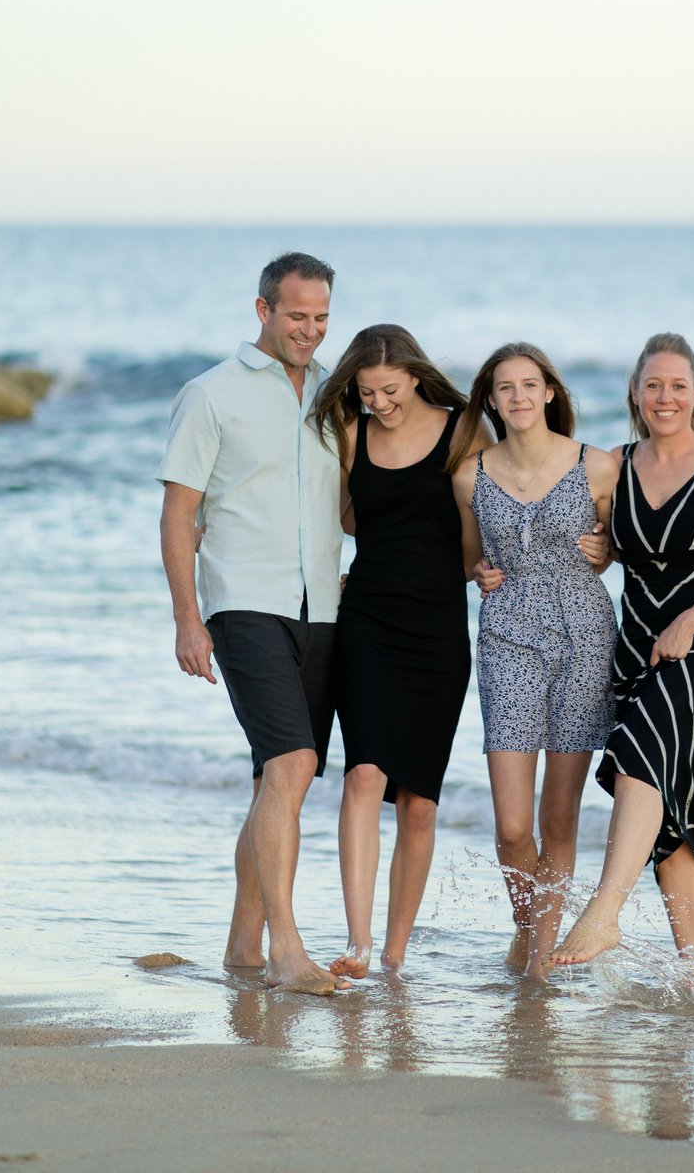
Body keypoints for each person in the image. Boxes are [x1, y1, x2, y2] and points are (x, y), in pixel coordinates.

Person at [156, 251, 347, 996]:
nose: (310, 330)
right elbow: (177, 514)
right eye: (297, 315)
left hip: (322, 608)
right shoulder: (211, 394)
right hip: (243, 601)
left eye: (322, 318)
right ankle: (288, 949)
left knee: (278, 779)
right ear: (263, 310)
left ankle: (242, 944)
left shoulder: (336, 395)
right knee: (293, 766)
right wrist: (187, 620)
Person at [552, 333, 694, 967]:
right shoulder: (616, 465)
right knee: (674, 808)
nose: (665, 396)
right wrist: (599, 552)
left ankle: (602, 914)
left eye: (678, 385)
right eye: (653, 385)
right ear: (635, 394)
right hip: (637, 652)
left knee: (640, 748)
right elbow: (569, 524)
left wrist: (689, 624)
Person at [309, 325, 492, 979]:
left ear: (416, 376)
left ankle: (394, 956)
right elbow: (344, 517)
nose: (379, 403)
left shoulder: (467, 429)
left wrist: (483, 571)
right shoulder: (353, 434)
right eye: (365, 392)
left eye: (389, 390)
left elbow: (482, 528)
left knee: (419, 801)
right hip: (366, 619)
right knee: (364, 775)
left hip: (439, 628)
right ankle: (357, 945)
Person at [451, 342, 620, 980]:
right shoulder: (469, 475)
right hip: (507, 636)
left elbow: (620, 548)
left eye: (530, 385)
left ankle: (538, 963)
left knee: (558, 817)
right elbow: (471, 560)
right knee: (515, 823)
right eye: (505, 387)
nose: (518, 397)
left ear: (550, 392)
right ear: (490, 399)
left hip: (584, 635)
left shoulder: (597, 466)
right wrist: (478, 572)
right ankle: (528, 931)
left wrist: (606, 554)